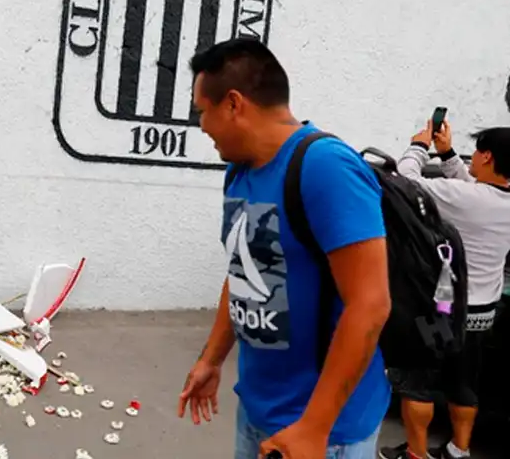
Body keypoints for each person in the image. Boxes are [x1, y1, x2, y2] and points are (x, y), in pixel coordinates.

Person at [176, 38, 392, 459]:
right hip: (259, 411)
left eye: (202, 111)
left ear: (234, 104)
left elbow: (371, 304)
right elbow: (243, 271)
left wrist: (314, 428)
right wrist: (212, 359)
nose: (201, 126)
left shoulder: (325, 166)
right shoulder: (240, 172)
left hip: (325, 433)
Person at [379, 122, 510, 459]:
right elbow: (476, 187)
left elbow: (407, 182)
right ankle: (458, 450)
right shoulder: (493, 198)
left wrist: (418, 147)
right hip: (482, 313)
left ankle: (416, 453)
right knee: (464, 384)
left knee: (418, 381)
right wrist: (449, 153)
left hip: (443, 310)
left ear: (488, 155)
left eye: (477, 151)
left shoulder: (465, 198)